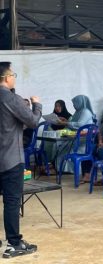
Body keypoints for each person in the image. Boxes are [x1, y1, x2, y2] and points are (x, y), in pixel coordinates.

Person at [0, 61, 39, 257]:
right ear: (7, 78)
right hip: (10, 159)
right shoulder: (10, 97)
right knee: (12, 201)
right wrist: (37, 105)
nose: (14, 77)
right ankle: (14, 244)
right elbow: (32, 121)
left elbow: (9, 125)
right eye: (13, 74)